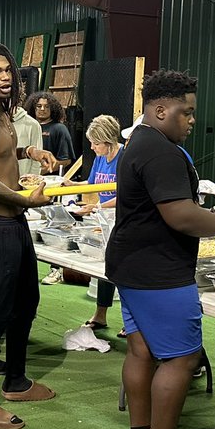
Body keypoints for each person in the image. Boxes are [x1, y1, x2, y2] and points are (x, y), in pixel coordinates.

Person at [107, 70, 215, 429]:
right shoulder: (162, 152)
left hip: (130, 264)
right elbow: (180, 216)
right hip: (159, 271)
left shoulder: (138, 141)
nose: (192, 121)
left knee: (141, 349)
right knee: (182, 357)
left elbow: (168, 206)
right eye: (185, 113)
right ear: (160, 110)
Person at [0, 43, 59, 429]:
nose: (4, 77)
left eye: (7, 70)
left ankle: (15, 381)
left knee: (26, 302)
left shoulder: (2, 113)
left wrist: (30, 151)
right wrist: (22, 199)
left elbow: (0, 153)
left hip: (13, 224)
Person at [78, 115, 124, 331]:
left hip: (123, 218)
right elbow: (90, 185)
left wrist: (97, 207)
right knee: (105, 266)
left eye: (95, 143)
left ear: (108, 140)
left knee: (123, 268)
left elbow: (126, 193)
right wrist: (65, 184)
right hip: (104, 218)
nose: (92, 147)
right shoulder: (100, 158)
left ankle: (131, 322)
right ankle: (101, 314)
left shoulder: (124, 157)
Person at [25, 90, 74, 163]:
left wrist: (50, 167)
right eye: (39, 106)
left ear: (52, 108)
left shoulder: (59, 129)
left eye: (47, 106)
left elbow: (66, 160)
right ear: (33, 108)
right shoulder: (27, 127)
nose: (42, 109)